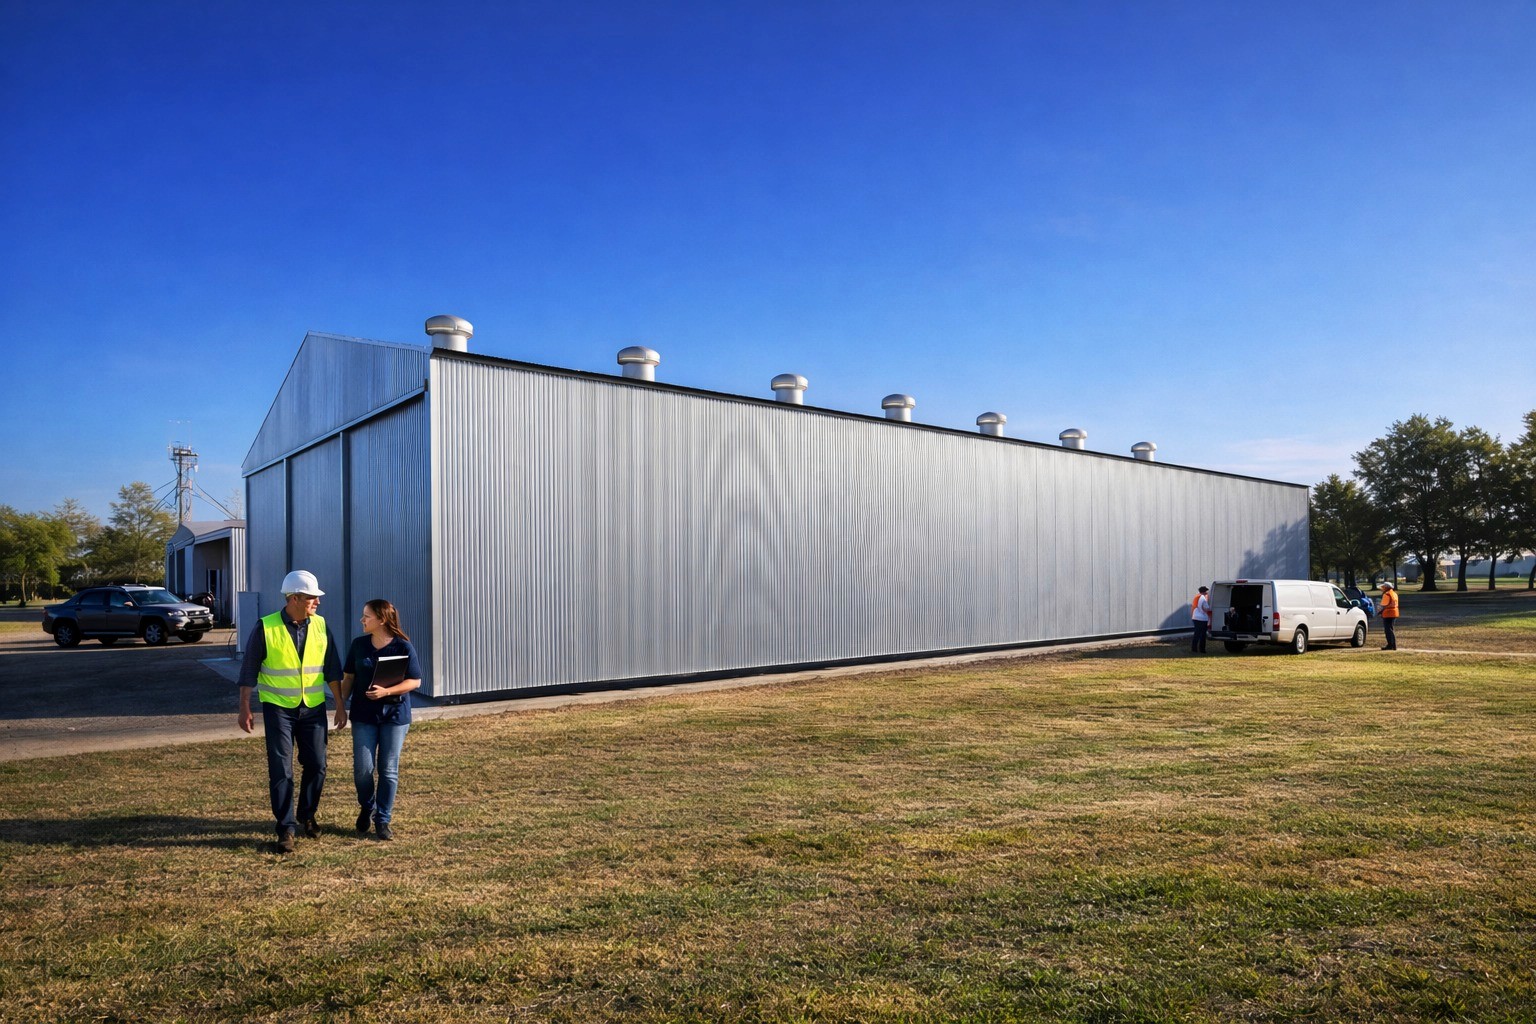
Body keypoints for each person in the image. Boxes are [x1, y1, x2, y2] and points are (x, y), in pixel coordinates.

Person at [237, 570, 345, 853]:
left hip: (312, 708)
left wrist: (340, 705)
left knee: (317, 765)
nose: (317, 603)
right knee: (281, 770)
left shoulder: (321, 626)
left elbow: (332, 667)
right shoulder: (266, 627)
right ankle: (286, 828)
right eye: (312, 598)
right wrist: (245, 706)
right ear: (294, 598)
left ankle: (307, 815)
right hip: (278, 710)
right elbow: (249, 668)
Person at [342, 599, 422, 841]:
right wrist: (338, 705)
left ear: (382, 620)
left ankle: (383, 819)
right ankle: (367, 805)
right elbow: (348, 678)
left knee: (388, 770)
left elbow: (415, 681)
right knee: (363, 769)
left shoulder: (403, 646)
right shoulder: (359, 645)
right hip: (363, 715)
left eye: (366, 616)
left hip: (395, 716)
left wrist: (387, 692)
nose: (362, 620)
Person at [1189, 585, 1211, 653]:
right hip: (1202, 618)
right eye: (1206, 592)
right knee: (1203, 634)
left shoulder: (1196, 596)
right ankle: (1202, 649)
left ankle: (1194, 649)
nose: (1207, 593)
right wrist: (1207, 611)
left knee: (1196, 634)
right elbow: (1205, 608)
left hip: (1195, 617)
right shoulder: (1203, 598)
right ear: (1204, 592)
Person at [1379, 581, 1400, 650]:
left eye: (1383, 587)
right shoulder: (1394, 593)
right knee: (1391, 629)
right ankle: (1393, 645)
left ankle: (1391, 645)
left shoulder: (1387, 594)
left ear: (1386, 587)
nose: (1382, 588)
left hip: (1388, 613)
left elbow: (1383, 605)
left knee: (1388, 630)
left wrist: (1380, 611)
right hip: (1394, 612)